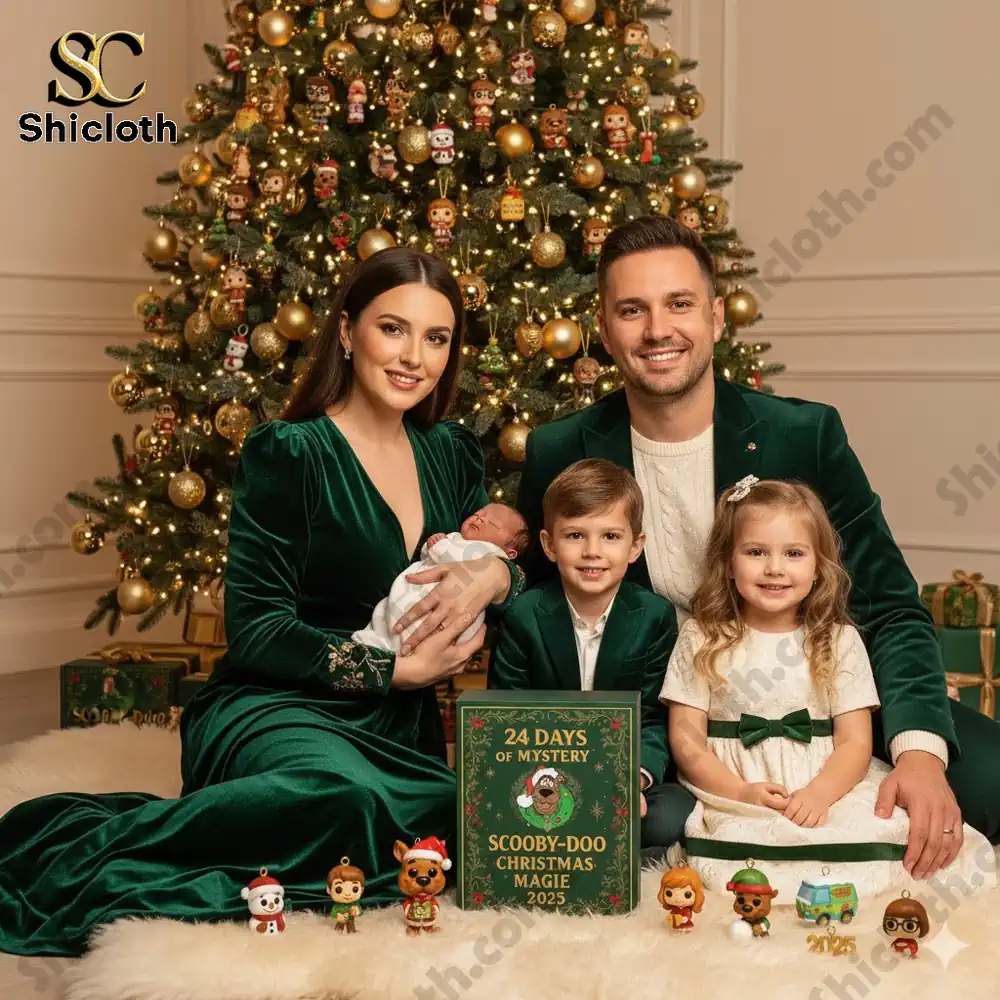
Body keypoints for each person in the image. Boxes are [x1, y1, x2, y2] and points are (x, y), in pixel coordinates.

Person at [0, 247, 524, 957]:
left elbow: (501, 571)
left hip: (398, 725)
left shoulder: (452, 452)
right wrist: (385, 672)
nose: (414, 357)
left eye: (436, 338)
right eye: (392, 329)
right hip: (275, 702)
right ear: (346, 332)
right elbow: (257, 630)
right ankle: (68, 853)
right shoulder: (290, 452)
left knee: (467, 822)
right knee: (342, 800)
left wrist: (498, 578)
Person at [515, 214, 1000, 875]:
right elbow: (537, 595)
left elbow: (890, 606)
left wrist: (917, 751)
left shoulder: (804, 436)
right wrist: (490, 567)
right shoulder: (559, 450)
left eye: (679, 304)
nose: (658, 330)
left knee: (990, 783)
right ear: (605, 330)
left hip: (824, 699)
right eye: (632, 310)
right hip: (666, 725)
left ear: (716, 317)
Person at [661, 476, 996, 899]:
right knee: (743, 846)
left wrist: (820, 793)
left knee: (883, 831)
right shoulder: (701, 637)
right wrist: (739, 791)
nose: (775, 568)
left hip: (828, 779)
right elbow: (686, 739)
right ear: (729, 563)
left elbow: (855, 743)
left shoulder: (838, 640)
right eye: (756, 552)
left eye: (794, 553)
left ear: (818, 567)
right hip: (736, 784)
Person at [489, 458, 682, 851]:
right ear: (549, 545)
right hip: (540, 777)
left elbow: (655, 718)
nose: (593, 551)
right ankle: (584, 838)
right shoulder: (524, 615)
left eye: (610, 537)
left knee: (673, 814)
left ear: (635, 546)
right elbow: (505, 714)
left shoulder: (655, 616)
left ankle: (593, 839)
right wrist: (545, 783)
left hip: (621, 774)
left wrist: (633, 780)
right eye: (575, 535)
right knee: (472, 811)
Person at [353, 502, 530, 653]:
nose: (481, 519)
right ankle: (374, 640)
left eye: (493, 524)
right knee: (387, 612)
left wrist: (440, 546)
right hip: (416, 590)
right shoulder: (455, 537)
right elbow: (428, 557)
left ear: (510, 553)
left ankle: (387, 648)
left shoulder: (489, 552)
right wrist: (433, 544)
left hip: (441, 607)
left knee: (408, 624)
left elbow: (452, 556)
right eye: (478, 514)